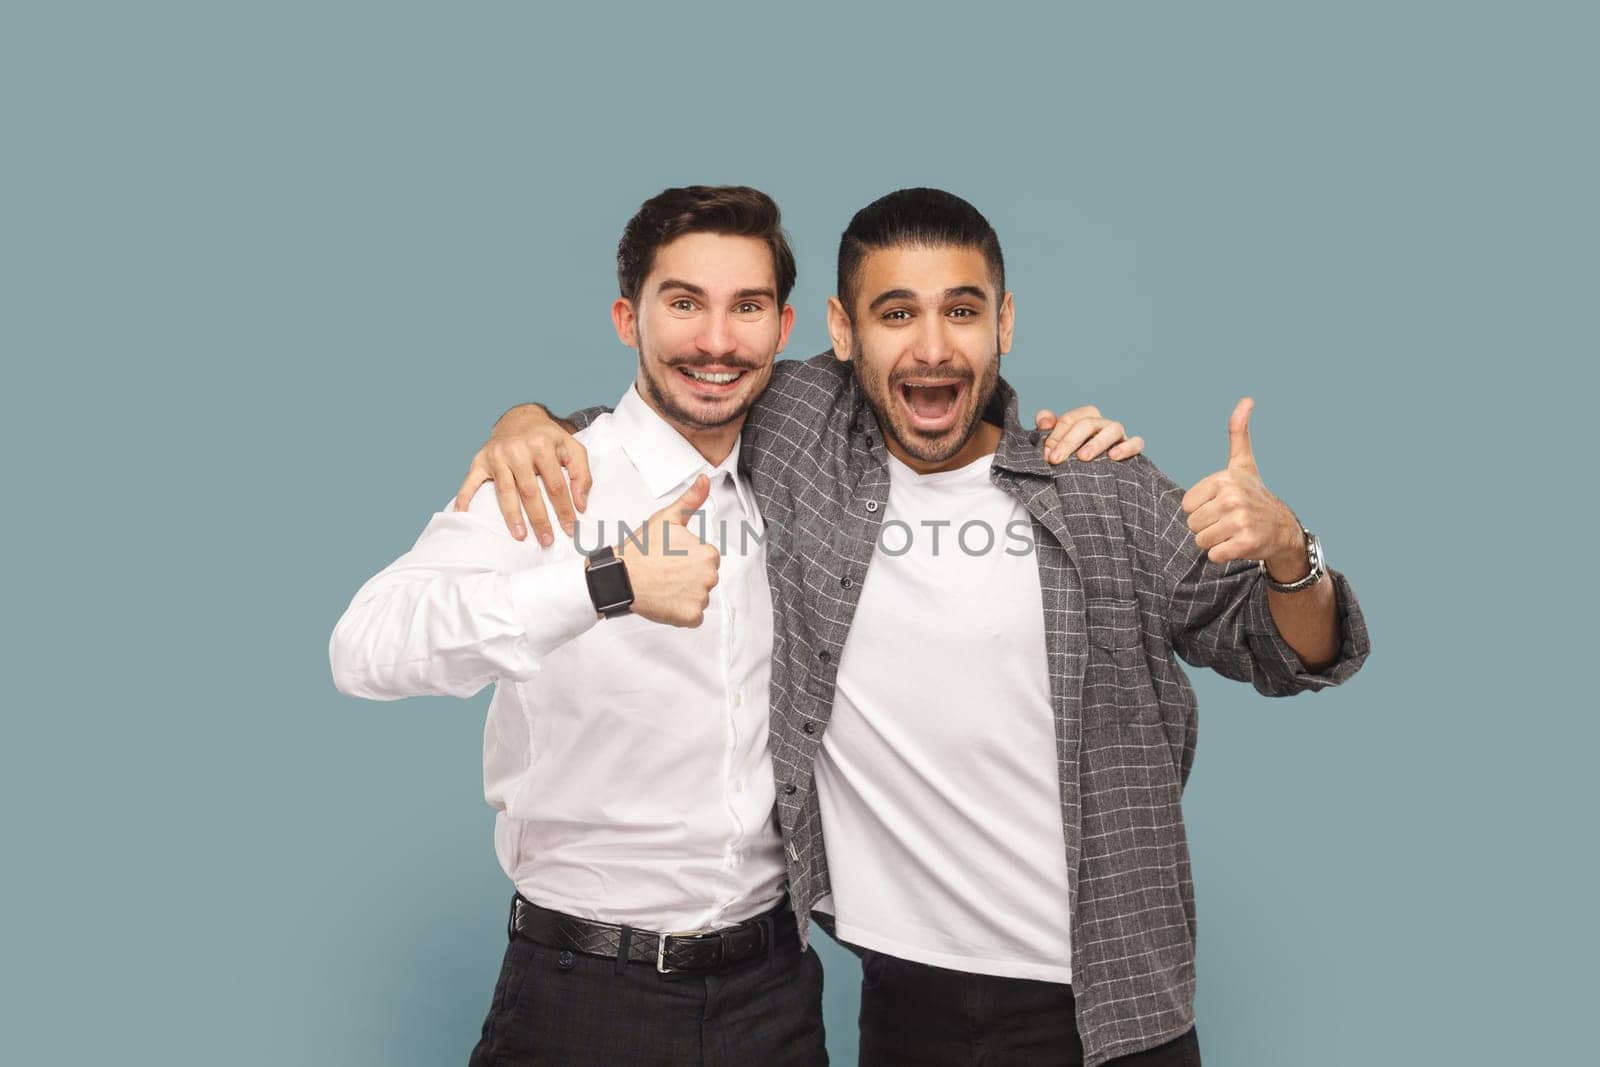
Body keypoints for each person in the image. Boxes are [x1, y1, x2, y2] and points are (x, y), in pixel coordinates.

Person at [465, 187, 1371, 1066]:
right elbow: (654, 414)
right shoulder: (793, 437)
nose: (932, 347)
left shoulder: (1100, 484)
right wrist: (525, 422)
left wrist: (1291, 551)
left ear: (1003, 325)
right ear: (839, 330)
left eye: (963, 311)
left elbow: (1293, 650)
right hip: (904, 1005)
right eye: (896, 314)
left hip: (1112, 1005)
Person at [329, 185, 1138, 1066]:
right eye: (683, 303)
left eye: (745, 307)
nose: (716, 341)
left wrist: (1067, 439)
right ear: (625, 317)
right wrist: (604, 582)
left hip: (773, 996)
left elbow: (939, 396)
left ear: (786, 328)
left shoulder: (802, 475)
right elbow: (365, 646)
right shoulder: (554, 477)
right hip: (584, 986)